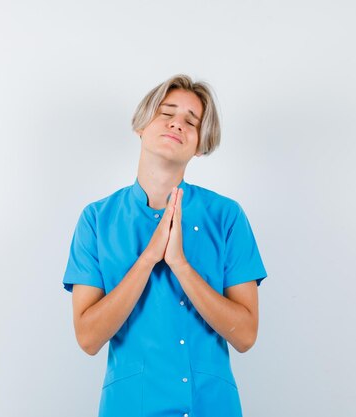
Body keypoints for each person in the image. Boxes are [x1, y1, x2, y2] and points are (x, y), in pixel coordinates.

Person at [62, 74, 268, 417]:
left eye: (191, 121)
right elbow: (88, 338)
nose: (177, 124)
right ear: (141, 125)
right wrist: (147, 260)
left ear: (201, 143)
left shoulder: (227, 217)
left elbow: (245, 336)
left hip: (210, 405)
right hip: (131, 406)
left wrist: (181, 265)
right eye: (166, 113)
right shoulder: (96, 220)